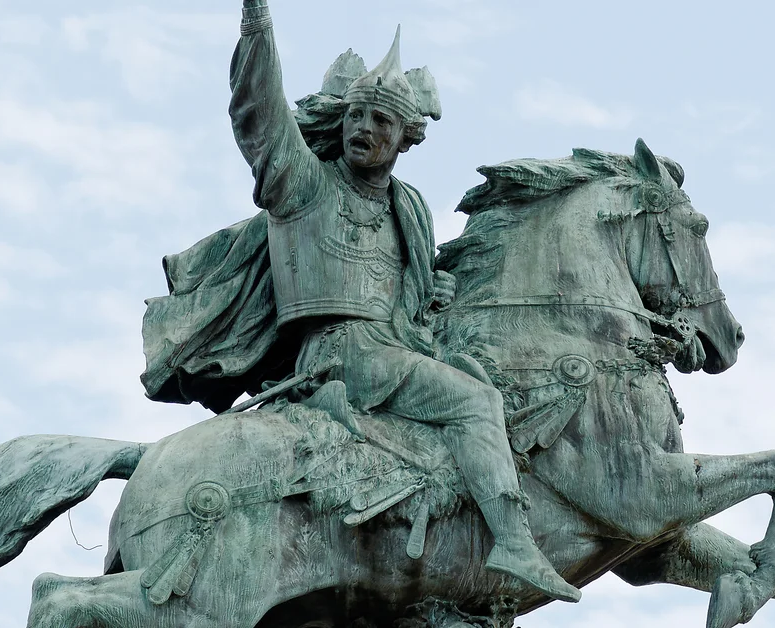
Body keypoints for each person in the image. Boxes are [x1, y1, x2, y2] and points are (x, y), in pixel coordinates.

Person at [142, 0, 580, 603]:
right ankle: (512, 541)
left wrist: (428, 295)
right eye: (357, 115)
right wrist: (257, 29)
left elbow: (408, 297)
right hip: (343, 352)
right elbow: (260, 117)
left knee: (494, 386)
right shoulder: (304, 184)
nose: (364, 128)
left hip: (396, 348)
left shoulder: (410, 209)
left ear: (405, 138)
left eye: (380, 120)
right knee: (477, 403)